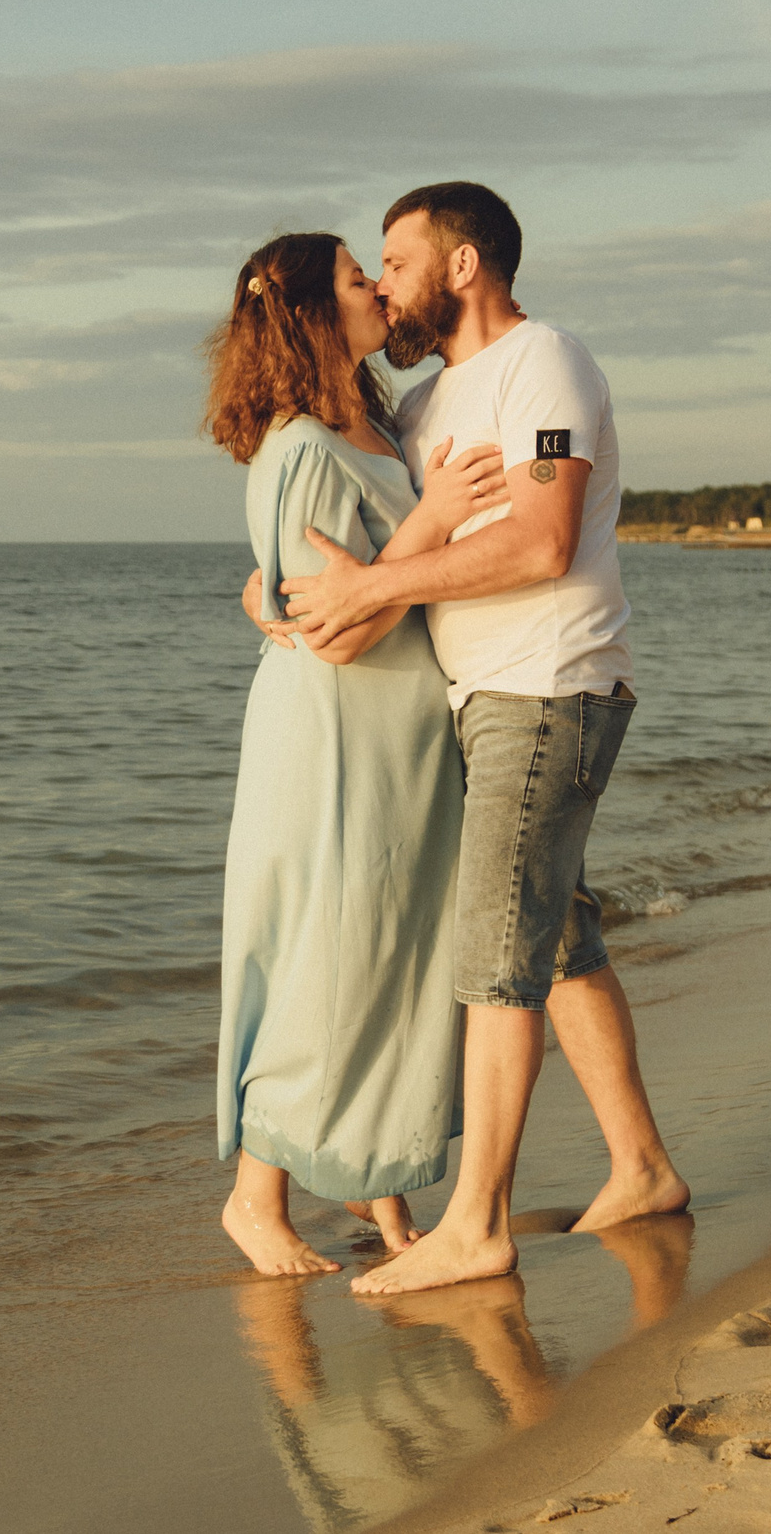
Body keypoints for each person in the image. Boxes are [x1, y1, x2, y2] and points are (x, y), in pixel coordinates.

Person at [270, 183, 688, 1296]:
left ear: (460, 267)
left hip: (549, 684)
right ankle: (640, 1165)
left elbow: (544, 541)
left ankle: (476, 1224)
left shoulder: (543, 362)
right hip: (482, 699)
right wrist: (271, 596)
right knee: (556, 942)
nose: (384, 285)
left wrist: (376, 585)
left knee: (496, 955)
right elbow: (379, 538)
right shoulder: (421, 410)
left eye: (396, 263)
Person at [207, 231, 511, 1276]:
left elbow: (350, 584)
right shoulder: (297, 448)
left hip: (400, 736)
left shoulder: (372, 418)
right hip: (338, 736)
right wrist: (435, 517)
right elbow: (341, 627)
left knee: (383, 954)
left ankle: (380, 1200)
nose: (378, 289)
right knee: (328, 954)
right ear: (310, 314)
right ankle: (255, 1196)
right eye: (354, 280)